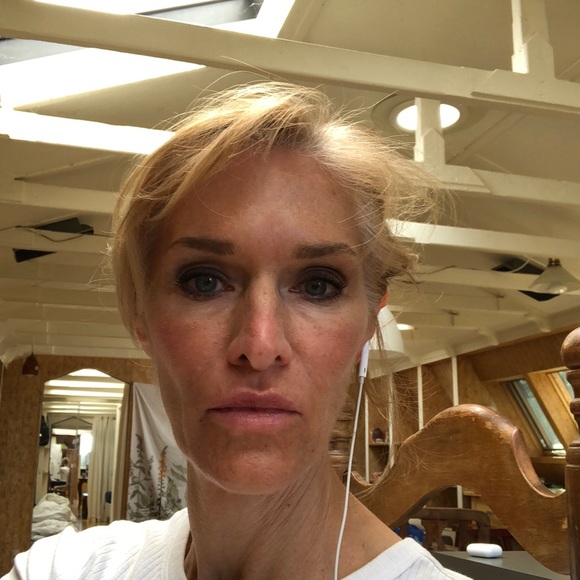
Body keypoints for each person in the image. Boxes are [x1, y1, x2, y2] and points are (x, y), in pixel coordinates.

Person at [4, 82, 469, 579]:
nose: (260, 346)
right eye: (204, 281)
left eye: (318, 285)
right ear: (141, 315)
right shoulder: (64, 569)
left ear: (369, 319)